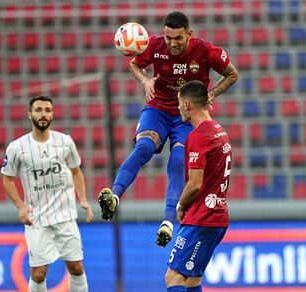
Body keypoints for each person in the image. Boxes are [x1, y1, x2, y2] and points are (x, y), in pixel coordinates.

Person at [98, 11, 238, 248]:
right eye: (169, 37)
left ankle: (167, 222)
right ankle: (114, 196)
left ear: (188, 34)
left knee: (177, 161)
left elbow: (232, 74)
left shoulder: (205, 50)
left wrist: (211, 94)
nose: (172, 44)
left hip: (187, 115)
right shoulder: (153, 45)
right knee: (143, 147)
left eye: (178, 38)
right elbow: (134, 63)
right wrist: (145, 81)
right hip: (158, 110)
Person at [1, 95, 96, 292]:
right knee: (39, 274)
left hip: (65, 216)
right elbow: (7, 179)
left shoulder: (65, 143)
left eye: (47, 110)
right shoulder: (17, 147)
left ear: (52, 114)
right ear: (29, 114)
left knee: (76, 267)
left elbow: (76, 171)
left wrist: (83, 199)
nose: (43, 114)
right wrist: (21, 206)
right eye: (38, 110)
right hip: (37, 219)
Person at [148, 80, 231, 292]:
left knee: (173, 277)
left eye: (179, 103)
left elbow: (194, 184)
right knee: (193, 280)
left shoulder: (198, 136)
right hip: (218, 215)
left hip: (201, 219)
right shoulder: (220, 130)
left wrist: (181, 206)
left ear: (186, 104)